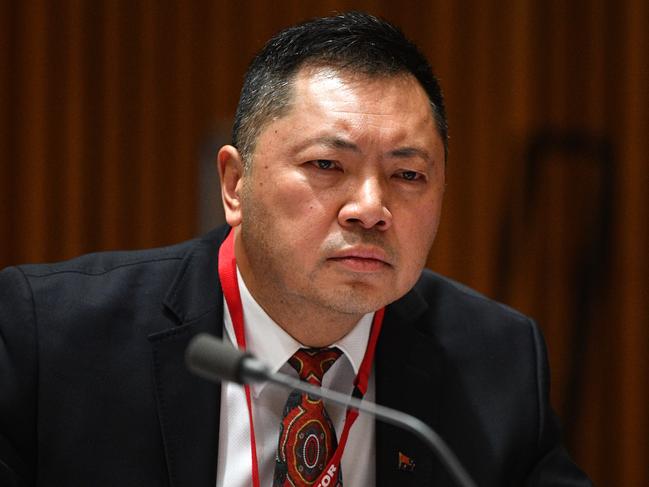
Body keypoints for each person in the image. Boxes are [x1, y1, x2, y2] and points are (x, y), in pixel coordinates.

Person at [0, 11, 591, 487]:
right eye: (327, 165)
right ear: (235, 185)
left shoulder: (498, 362)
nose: (370, 207)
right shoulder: (51, 339)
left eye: (408, 175)